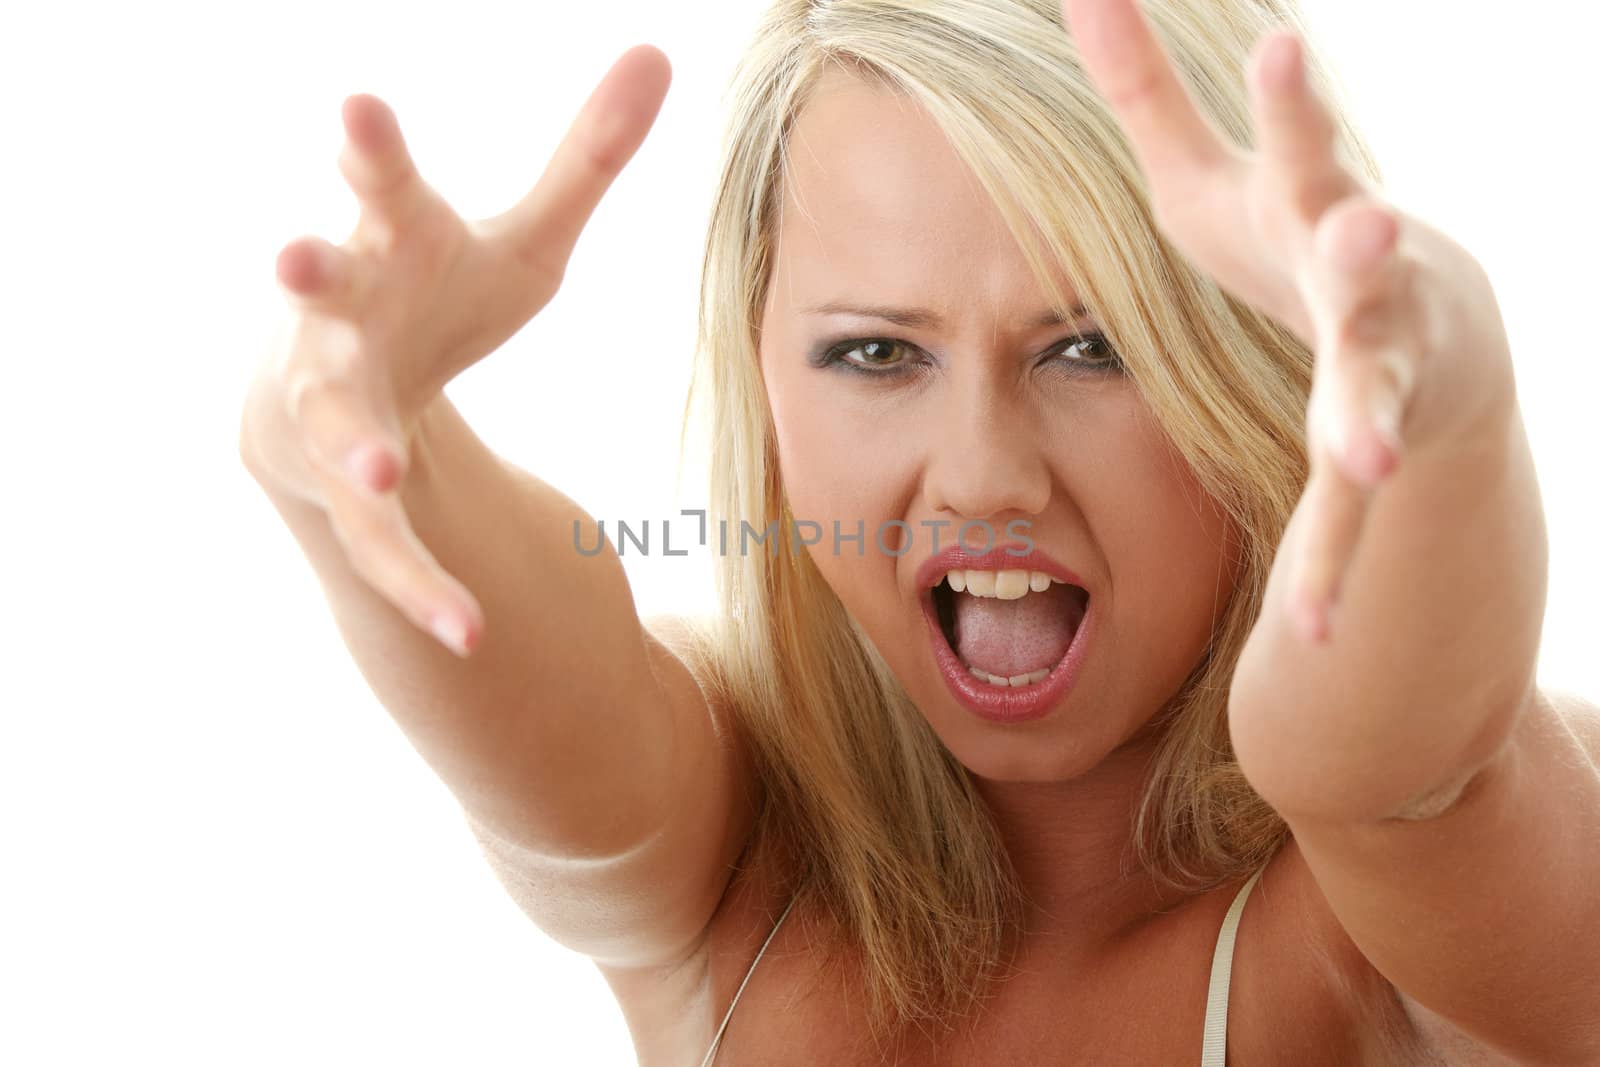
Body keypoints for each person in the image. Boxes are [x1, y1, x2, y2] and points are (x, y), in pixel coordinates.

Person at [238, 0, 1600, 1062]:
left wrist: (1453, 403)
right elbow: (541, 687)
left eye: (1091, 348)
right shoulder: (729, 850)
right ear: (764, 372)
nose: (982, 478)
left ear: (1257, 366)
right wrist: (353, 439)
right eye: (880, 354)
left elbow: (1399, 764)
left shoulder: (1393, 917)